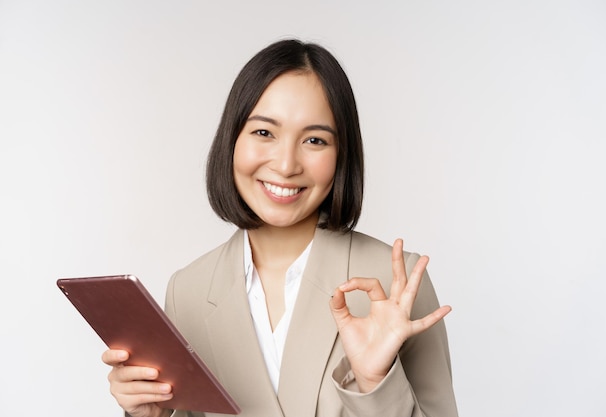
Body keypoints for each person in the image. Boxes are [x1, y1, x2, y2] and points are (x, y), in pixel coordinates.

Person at [102, 39, 458, 417]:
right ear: (232, 140)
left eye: (315, 140)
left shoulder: (395, 281)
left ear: (342, 156)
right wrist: (148, 414)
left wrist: (374, 384)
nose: (287, 164)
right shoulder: (188, 289)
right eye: (263, 133)